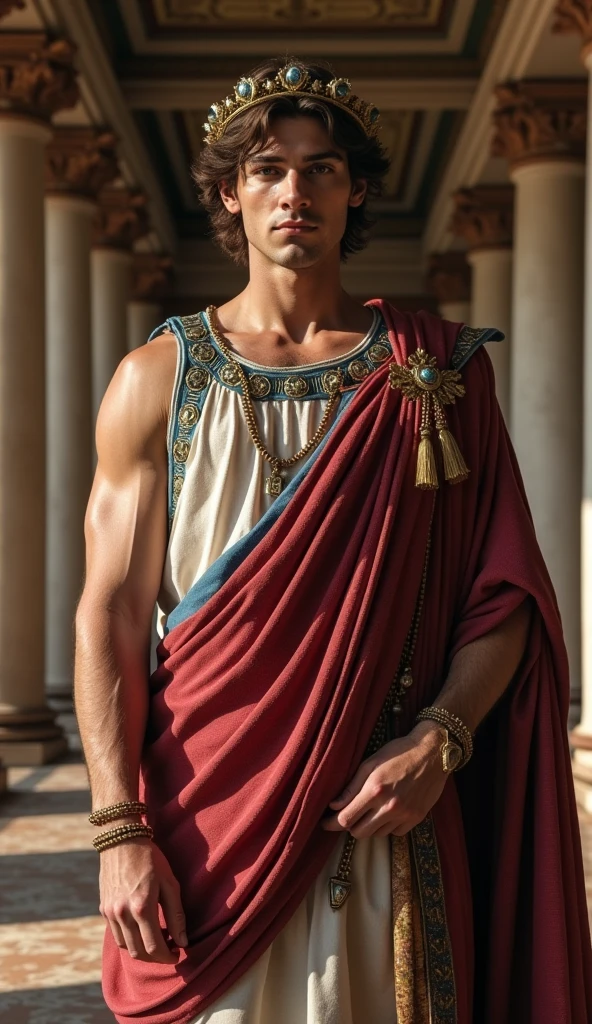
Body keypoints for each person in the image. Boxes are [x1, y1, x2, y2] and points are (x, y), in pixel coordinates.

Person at [73, 57, 592, 1024]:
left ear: (356, 192)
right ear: (231, 191)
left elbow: (507, 597)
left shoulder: (437, 374)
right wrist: (118, 834)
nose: (295, 192)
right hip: (209, 823)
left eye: (321, 170)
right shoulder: (155, 379)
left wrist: (440, 742)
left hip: (388, 817)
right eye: (268, 168)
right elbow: (107, 612)